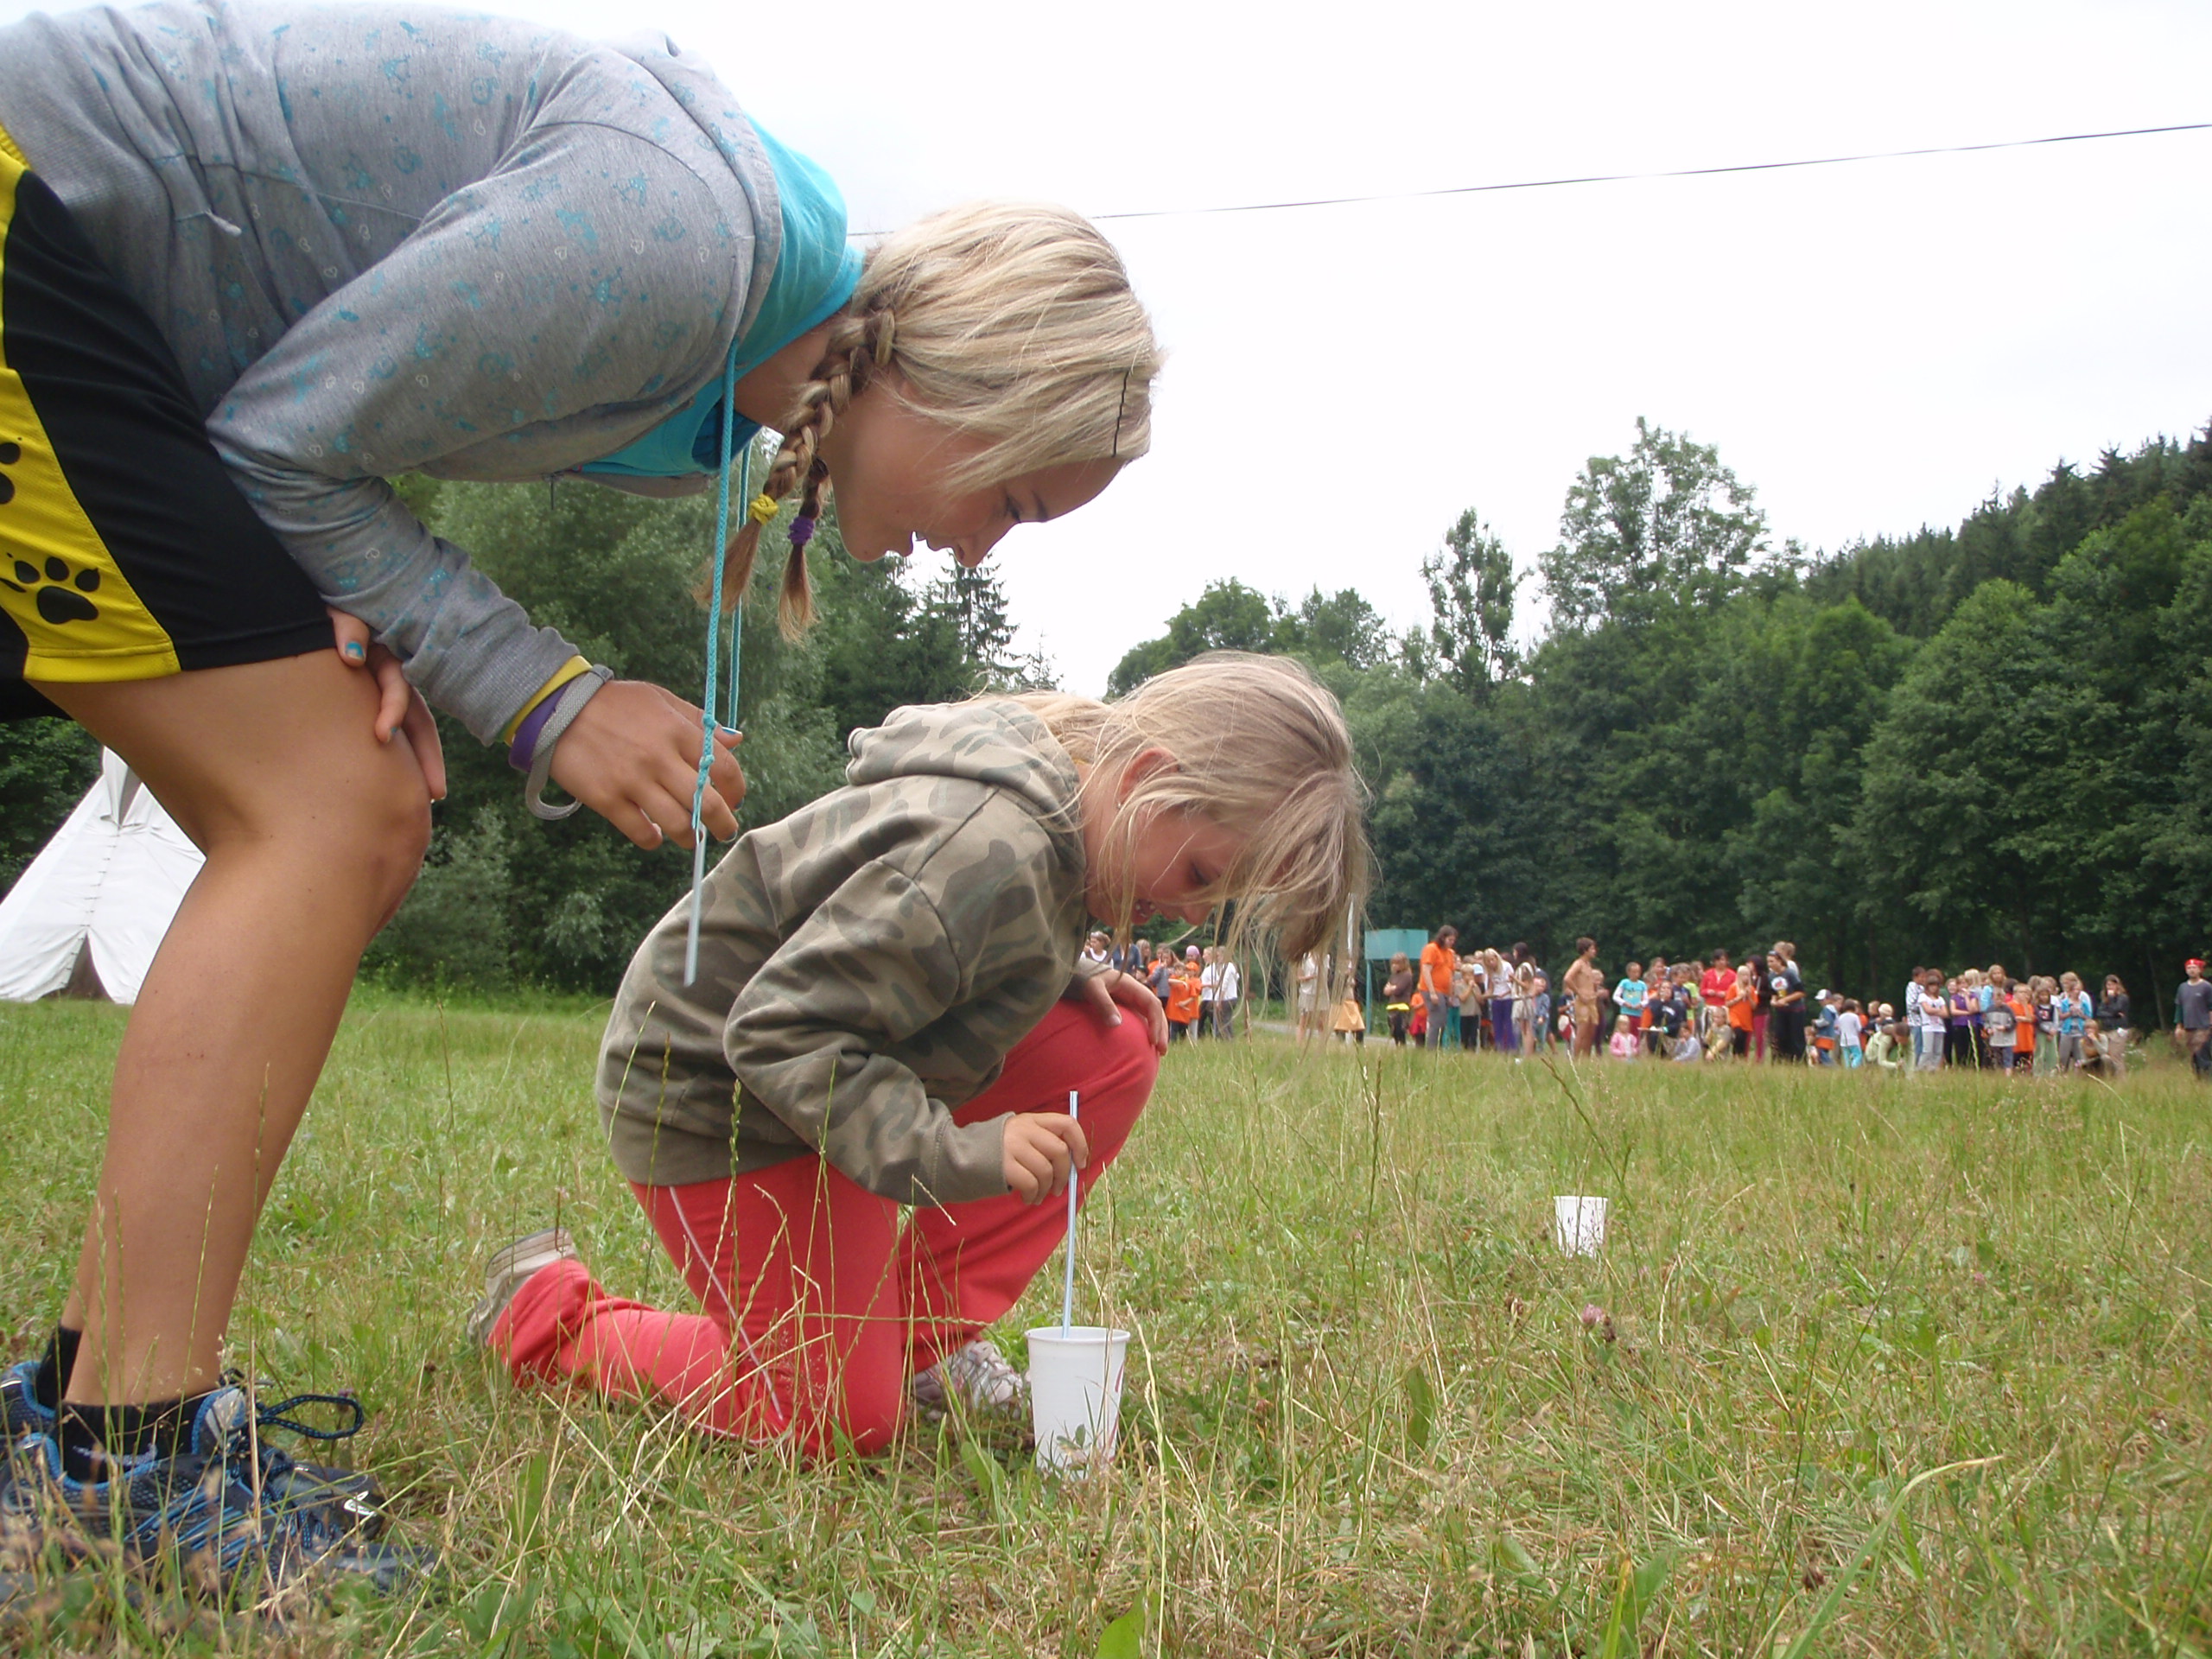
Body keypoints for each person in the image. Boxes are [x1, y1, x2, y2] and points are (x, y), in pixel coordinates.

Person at [0, 0, 1162, 1589]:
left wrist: (362, 611)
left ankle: (86, 1416)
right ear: (967, 383)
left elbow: (314, 419)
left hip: (99, 318)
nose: (978, 554)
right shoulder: (679, 245)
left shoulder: (715, 364)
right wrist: (550, 697)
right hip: (38, 212)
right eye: (1012, 501)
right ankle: (124, 1454)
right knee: (333, 806)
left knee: (343, 788)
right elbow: (281, 438)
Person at [470, 655, 1363, 1456]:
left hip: (840, 1076)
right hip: (716, 1094)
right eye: (1203, 876)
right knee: (835, 1420)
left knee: (1113, 1046)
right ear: (1146, 778)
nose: (1194, 914)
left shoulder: (1059, 825)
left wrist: (1061, 970)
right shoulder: (987, 852)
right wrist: (963, 1153)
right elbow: (776, 1032)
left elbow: (914, 946)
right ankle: (545, 1313)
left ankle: (906, 1346)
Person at [1419, 926, 1459, 1052]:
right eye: (1450, 940)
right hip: (1433, 989)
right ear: (1442, 938)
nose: (1452, 943)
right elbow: (1426, 970)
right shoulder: (1432, 949)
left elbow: (1450, 974)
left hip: (1445, 991)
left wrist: (1451, 995)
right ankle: (1432, 1050)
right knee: (1437, 1020)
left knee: (1443, 1021)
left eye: (1453, 940)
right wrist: (1432, 992)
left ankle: (1439, 1048)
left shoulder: (1450, 953)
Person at [1563, 938, 1604, 1058]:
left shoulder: (1588, 965)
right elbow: (1567, 978)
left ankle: (1586, 1059)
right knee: (1582, 1031)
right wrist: (1579, 993)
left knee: (1591, 1032)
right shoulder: (1578, 964)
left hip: (1592, 1001)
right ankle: (1576, 1059)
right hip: (1582, 1001)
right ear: (1585, 950)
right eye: (1592, 949)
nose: (1594, 951)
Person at [2175, 957, 2211, 1080]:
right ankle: (2198, 1079)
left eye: (2194, 968)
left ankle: (2207, 1079)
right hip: (2189, 1026)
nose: (2191, 970)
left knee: (2203, 1054)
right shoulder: (2182, 987)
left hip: (2203, 1026)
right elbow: (2179, 1007)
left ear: (2200, 970)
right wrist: (2179, 1026)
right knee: (2194, 1056)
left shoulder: (2206, 987)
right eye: (2189, 968)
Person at [2052, 973, 2094, 1071]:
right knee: (2063, 1055)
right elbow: (2060, 1015)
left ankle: (2079, 1073)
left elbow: (2089, 1016)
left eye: (2066, 983)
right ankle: (2062, 1072)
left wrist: (2081, 1014)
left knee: (2079, 1055)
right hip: (2066, 1030)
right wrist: (2070, 1013)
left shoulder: (2084, 999)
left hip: (2080, 1030)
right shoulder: (2063, 999)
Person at [2097, 975, 2132, 1077]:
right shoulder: (2105, 999)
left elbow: (2116, 1009)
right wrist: (2113, 1015)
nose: (2110, 987)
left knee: (2116, 1056)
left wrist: (2111, 999)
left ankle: (2121, 1079)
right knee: (2107, 1056)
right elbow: (2099, 1013)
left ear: (2117, 985)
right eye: (2108, 985)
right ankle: (2112, 1077)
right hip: (2107, 1029)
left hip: (2118, 1029)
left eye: (2112, 985)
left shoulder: (2123, 998)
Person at [1164, 950, 1202, 1042]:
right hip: (1174, 1011)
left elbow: (1193, 996)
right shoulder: (1174, 978)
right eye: (1176, 970)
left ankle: (1184, 1045)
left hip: (1184, 1012)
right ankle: (1173, 1045)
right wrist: (1181, 982)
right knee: (1173, 1031)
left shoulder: (1191, 982)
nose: (1177, 972)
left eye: (1179, 970)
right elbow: (1169, 981)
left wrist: (1184, 1003)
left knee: (1183, 1032)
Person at [1383, 953, 1418, 1046]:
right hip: (1392, 1005)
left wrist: (1392, 988)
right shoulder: (1393, 976)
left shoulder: (1407, 975)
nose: (1394, 966)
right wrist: (1392, 988)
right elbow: (1386, 990)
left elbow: (1399, 989)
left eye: (1397, 963)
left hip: (1402, 1005)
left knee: (1400, 1030)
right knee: (1393, 1030)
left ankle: (1402, 1047)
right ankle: (1398, 1046)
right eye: (1393, 963)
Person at [1213, 952, 1243, 1039]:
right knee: (1227, 1019)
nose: (1217, 958)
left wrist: (1220, 1000)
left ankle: (1226, 1039)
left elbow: (1224, 984)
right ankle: (1230, 1038)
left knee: (1222, 1021)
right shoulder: (1232, 967)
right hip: (1233, 997)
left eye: (1218, 956)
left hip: (1226, 998)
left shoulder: (1227, 967)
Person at [1294, 951, 1321, 1041]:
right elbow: (1298, 978)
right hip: (1306, 993)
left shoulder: (1324, 958)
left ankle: (1322, 1044)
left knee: (1320, 1021)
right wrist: (1310, 977)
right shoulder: (1304, 958)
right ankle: (1300, 1043)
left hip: (1319, 994)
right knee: (1304, 1020)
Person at [1836, 998, 1865, 1068]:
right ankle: (1854, 1066)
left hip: (1843, 1040)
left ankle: (1848, 1069)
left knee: (1847, 1057)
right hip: (1853, 1039)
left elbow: (1839, 1029)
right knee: (1858, 1055)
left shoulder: (1841, 1017)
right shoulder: (1855, 1017)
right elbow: (1859, 1028)